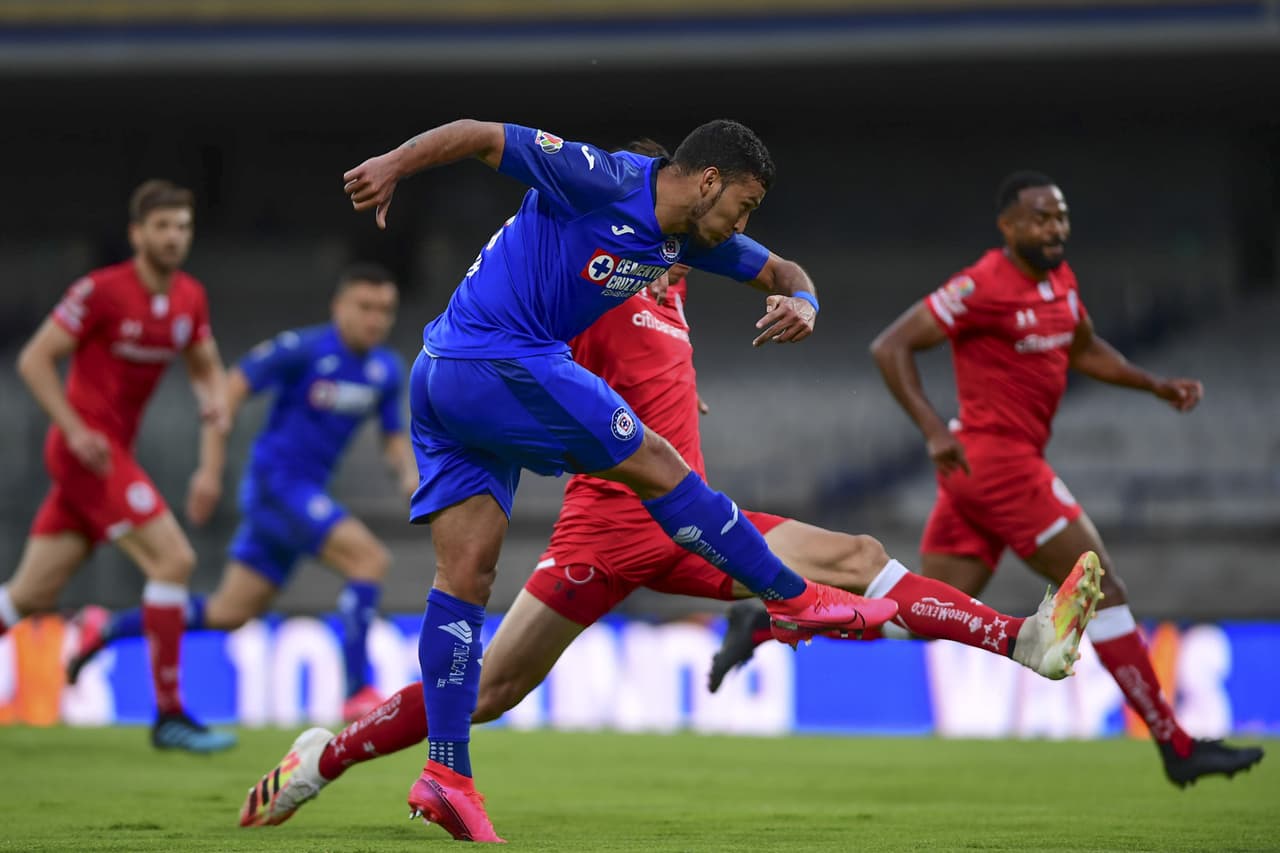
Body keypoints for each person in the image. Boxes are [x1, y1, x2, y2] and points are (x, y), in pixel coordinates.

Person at [237, 186, 1101, 834]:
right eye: (700, 226)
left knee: (856, 553)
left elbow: (646, 385)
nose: (707, 242)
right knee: (489, 688)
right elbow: (537, 365)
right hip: (606, 529)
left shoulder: (672, 294)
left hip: (691, 529)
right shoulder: (589, 286)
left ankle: (1022, 639)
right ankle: (327, 753)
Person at [336, 118, 909, 842]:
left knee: (466, 579)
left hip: (443, 374)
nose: (744, 220)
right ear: (709, 180)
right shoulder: (601, 177)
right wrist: (393, 161)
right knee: (660, 465)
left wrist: (806, 302)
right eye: (745, 204)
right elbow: (483, 136)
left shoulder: (686, 242)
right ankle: (791, 595)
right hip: (499, 357)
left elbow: (783, 272)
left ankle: (446, 772)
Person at [859, 169, 1260, 787]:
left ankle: (776, 621)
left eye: (1061, 217)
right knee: (1102, 589)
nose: (1054, 229)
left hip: (983, 473)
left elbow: (1088, 348)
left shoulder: (1060, 281)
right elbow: (891, 346)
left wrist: (1153, 385)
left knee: (917, 615)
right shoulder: (983, 284)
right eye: (1041, 218)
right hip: (999, 463)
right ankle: (1176, 746)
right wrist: (932, 429)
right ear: (1009, 226)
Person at [64, 263, 417, 723]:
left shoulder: (385, 369)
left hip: (303, 494)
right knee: (369, 559)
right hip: (278, 484)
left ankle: (106, 627)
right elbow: (229, 389)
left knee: (229, 612)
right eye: (365, 307)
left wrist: (411, 479)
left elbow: (392, 436)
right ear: (339, 307)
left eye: (385, 310)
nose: (375, 318)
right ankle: (357, 692)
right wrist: (210, 469)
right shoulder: (304, 350)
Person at [0, 179, 235, 753]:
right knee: (173, 558)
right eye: (163, 227)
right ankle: (170, 715)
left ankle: (169, 713)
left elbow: (208, 374)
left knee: (27, 596)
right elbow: (34, 359)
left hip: (111, 456)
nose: (174, 237)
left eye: (183, 227)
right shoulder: (101, 292)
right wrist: (75, 428)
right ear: (137, 234)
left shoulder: (189, 299)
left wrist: (210, 464)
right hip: (86, 453)